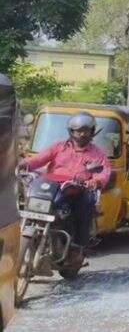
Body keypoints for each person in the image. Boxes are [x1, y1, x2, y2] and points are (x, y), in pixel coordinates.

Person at [19, 112, 111, 262]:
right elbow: (39, 159)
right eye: (78, 131)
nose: (81, 134)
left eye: (85, 131)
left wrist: (96, 181)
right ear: (71, 131)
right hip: (53, 187)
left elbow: (103, 172)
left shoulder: (97, 154)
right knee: (29, 200)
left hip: (78, 190)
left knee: (86, 204)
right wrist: (24, 164)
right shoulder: (59, 147)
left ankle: (77, 246)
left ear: (92, 132)